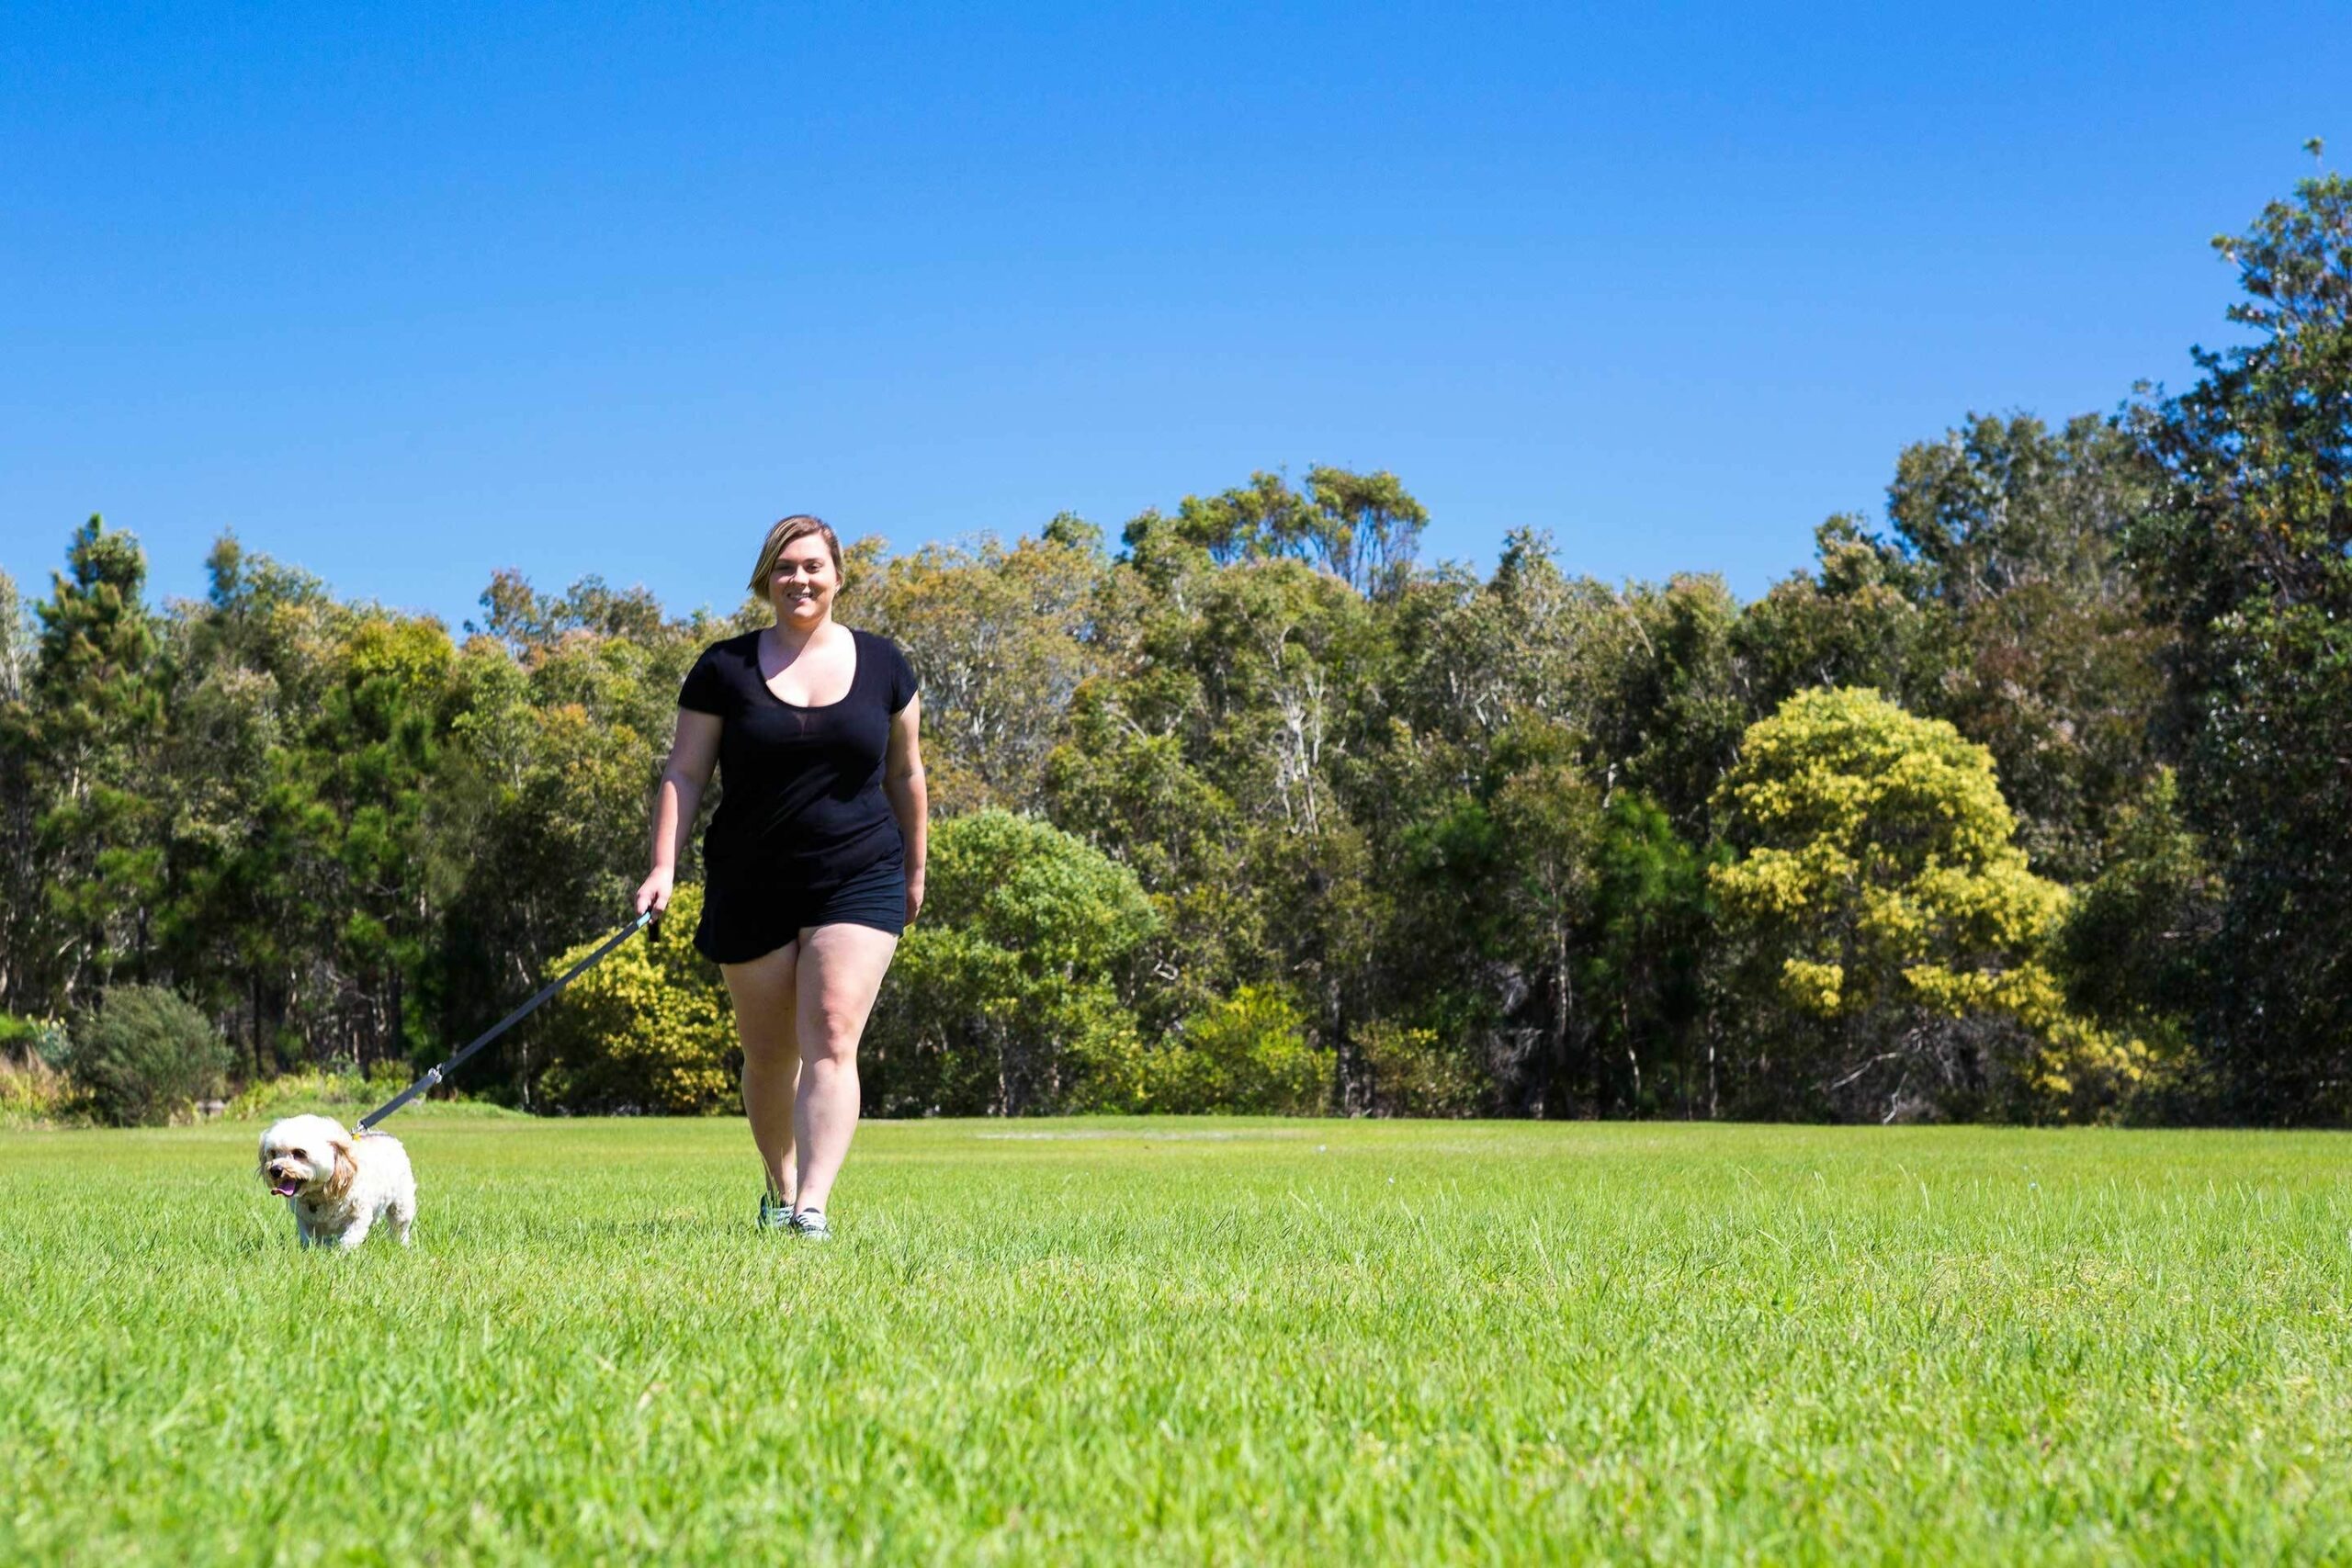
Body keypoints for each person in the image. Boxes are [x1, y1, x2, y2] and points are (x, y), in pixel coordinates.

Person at [635, 514, 926, 1239]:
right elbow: (686, 770)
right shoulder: (722, 668)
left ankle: (813, 1207)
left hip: (859, 873)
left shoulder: (886, 665)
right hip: (750, 877)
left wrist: (917, 869)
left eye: (813, 566)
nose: (801, 578)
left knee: (831, 1031)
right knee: (770, 1054)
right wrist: (662, 866)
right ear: (766, 577)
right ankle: (780, 1185)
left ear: (838, 575)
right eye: (786, 566)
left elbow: (907, 773)